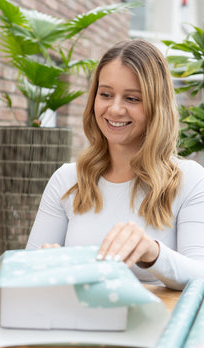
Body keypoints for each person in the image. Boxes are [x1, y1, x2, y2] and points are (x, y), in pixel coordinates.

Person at [26, 39, 204, 290]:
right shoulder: (68, 179)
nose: (115, 108)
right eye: (106, 94)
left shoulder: (190, 180)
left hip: (156, 326)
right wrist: (46, 263)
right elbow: (26, 267)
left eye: (132, 98)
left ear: (157, 106)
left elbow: (201, 276)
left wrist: (151, 252)